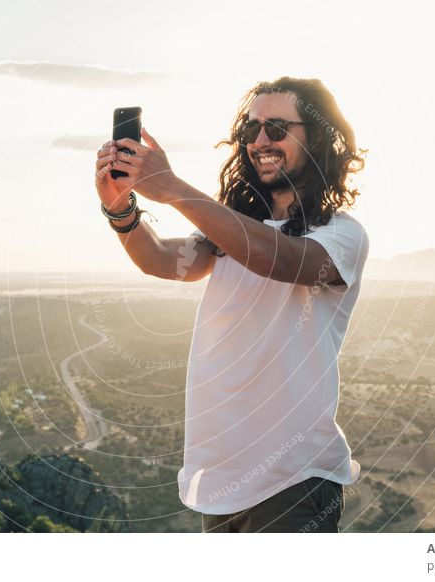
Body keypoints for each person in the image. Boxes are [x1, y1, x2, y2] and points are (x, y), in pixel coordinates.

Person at [94, 77, 369, 533]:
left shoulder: (342, 234)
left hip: (293, 481)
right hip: (222, 482)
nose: (261, 141)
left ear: (316, 136)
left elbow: (278, 259)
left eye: (278, 128)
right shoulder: (231, 233)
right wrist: (120, 210)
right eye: (251, 128)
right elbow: (162, 260)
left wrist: (175, 189)